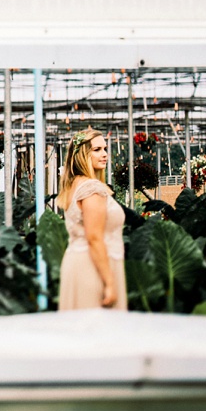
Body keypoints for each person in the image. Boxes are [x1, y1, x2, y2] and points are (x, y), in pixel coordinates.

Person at [56, 129, 127, 310]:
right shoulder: (92, 189)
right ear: (82, 155)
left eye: (104, 148)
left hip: (79, 264)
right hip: (93, 268)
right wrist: (110, 282)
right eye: (97, 150)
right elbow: (94, 238)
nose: (104, 154)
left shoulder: (75, 184)